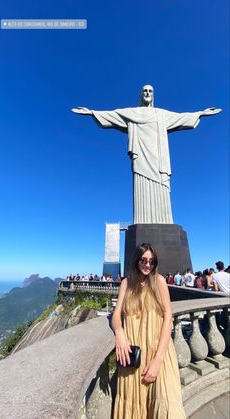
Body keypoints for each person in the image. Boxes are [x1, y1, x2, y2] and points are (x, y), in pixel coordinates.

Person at [72, 86, 221, 224]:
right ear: (141, 95)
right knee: (141, 187)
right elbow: (113, 114)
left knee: (161, 187)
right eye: (145, 91)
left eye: (150, 91)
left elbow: (181, 117)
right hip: (141, 157)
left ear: (153, 95)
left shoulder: (161, 114)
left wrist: (201, 113)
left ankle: (164, 220)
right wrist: (91, 112)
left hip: (159, 158)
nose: (148, 93)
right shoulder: (132, 113)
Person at [112, 243, 186, 419]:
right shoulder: (126, 283)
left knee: (167, 407)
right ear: (136, 260)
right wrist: (120, 334)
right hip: (134, 357)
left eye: (152, 262)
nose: (147, 265)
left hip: (159, 352)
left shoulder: (159, 281)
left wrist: (158, 360)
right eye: (144, 260)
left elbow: (168, 317)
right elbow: (116, 314)